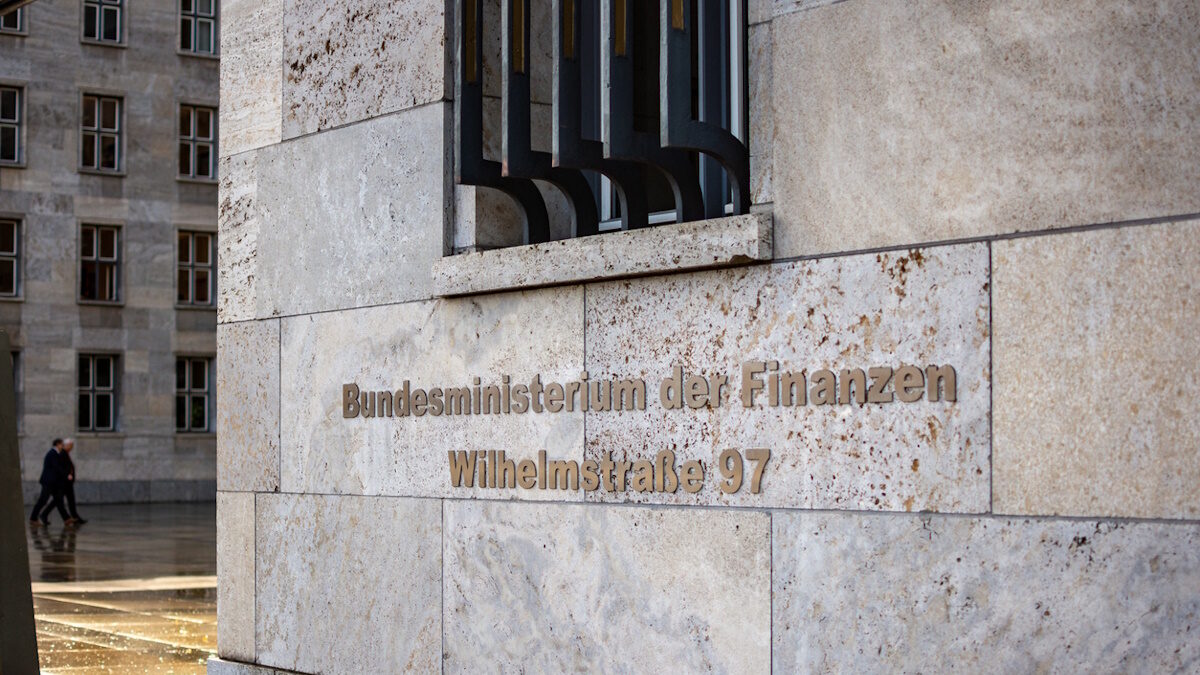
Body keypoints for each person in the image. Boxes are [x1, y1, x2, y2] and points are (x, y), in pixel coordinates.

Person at [29, 439, 70, 525]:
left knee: (58, 499)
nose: (63, 447)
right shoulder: (52, 454)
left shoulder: (54, 454)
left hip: (52, 482)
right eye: (62, 445)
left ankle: (66, 519)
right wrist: (66, 474)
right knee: (43, 500)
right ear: (57, 444)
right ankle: (33, 518)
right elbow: (56, 467)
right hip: (48, 482)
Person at [59, 438, 87, 524]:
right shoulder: (63, 454)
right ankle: (74, 517)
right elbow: (62, 468)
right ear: (66, 445)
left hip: (68, 482)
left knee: (70, 500)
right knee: (58, 501)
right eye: (71, 445)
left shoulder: (65, 453)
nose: (72, 447)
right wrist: (68, 475)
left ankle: (75, 516)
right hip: (65, 482)